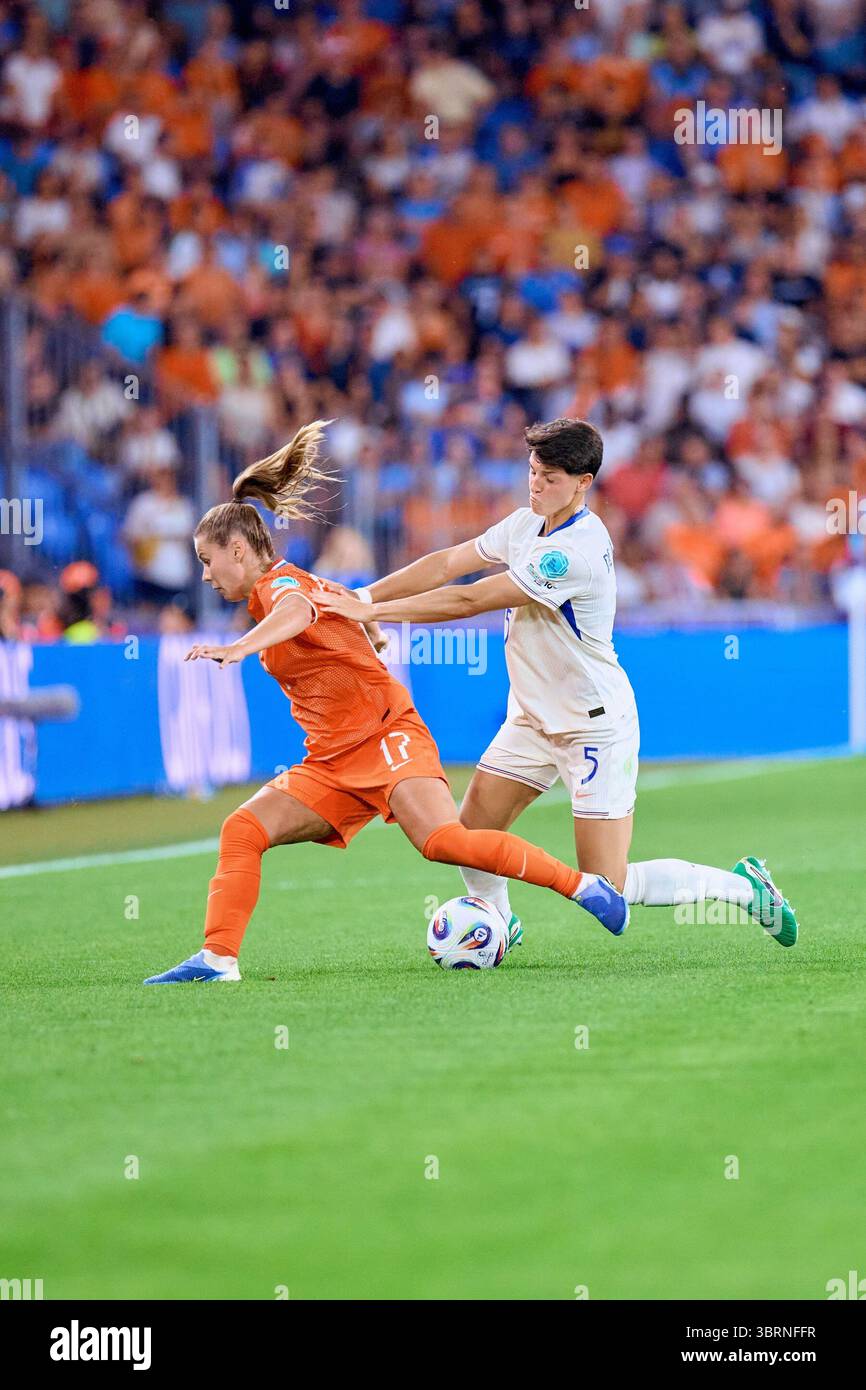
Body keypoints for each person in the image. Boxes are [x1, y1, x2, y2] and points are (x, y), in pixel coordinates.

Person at [144, 420, 629, 985]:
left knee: (444, 842)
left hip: (387, 737)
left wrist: (240, 648)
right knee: (242, 830)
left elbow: (298, 613)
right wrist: (365, 627)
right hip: (332, 759)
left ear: (237, 550)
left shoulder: (280, 587)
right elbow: (338, 618)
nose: (204, 575)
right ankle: (218, 959)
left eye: (208, 561)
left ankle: (581, 886)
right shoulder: (289, 586)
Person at [318, 417, 798, 950]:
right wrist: (362, 600)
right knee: (469, 834)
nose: (535, 485)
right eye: (532, 471)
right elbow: (449, 563)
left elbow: (469, 598)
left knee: (606, 883)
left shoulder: (574, 551)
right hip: (530, 717)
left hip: (592, 725)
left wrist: (379, 607)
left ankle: (744, 888)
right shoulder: (526, 524)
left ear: (583, 482)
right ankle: (499, 922)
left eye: (549, 477)